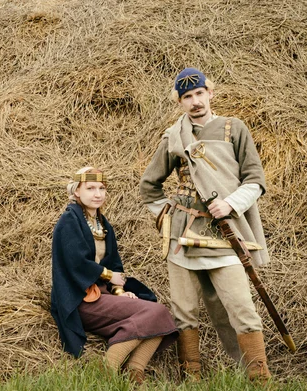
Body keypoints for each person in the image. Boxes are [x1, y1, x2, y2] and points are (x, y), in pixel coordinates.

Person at [139, 67, 272, 382]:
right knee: (185, 312)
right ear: (180, 102)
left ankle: (259, 380)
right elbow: (149, 186)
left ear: (210, 93)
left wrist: (230, 204)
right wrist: (167, 216)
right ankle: (192, 380)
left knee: (242, 308)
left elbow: (255, 179)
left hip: (225, 233)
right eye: (187, 97)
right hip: (183, 237)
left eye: (199, 93)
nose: (195, 101)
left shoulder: (233, 128)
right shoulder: (174, 136)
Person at [50, 167, 179, 384]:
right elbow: (75, 263)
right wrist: (109, 276)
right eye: (90, 188)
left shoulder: (103, 224)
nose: (98, 193)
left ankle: (135, 370)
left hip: (103, 295)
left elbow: (115, 264)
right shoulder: (68, 221)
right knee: (156, 313)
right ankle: (108, 369)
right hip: (80, 298)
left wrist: (119, 291)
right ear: (76, 192)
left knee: (159, 316)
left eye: (101, 188)